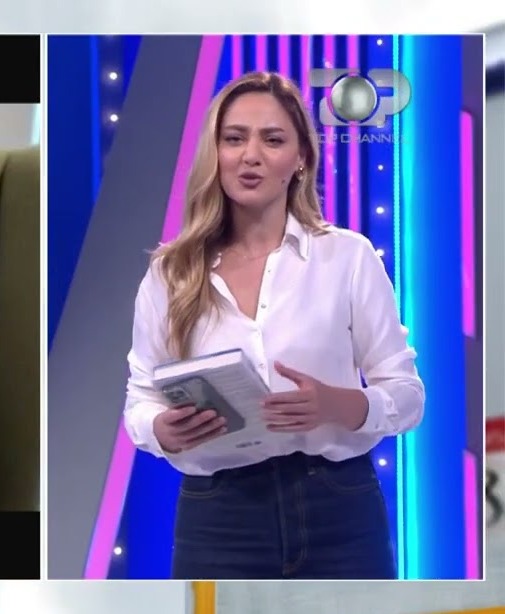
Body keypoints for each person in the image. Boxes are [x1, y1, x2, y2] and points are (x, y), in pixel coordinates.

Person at [123, 72, 425, 579]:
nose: (251, 155)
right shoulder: (170, 272)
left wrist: (337, 404)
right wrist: (162, 430)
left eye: (273, 139)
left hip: (338, 505)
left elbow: (408, 395)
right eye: (234, 138)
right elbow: (140, 398)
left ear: (301, 157)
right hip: (218, 516)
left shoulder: (346, 257)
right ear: (215, 153)